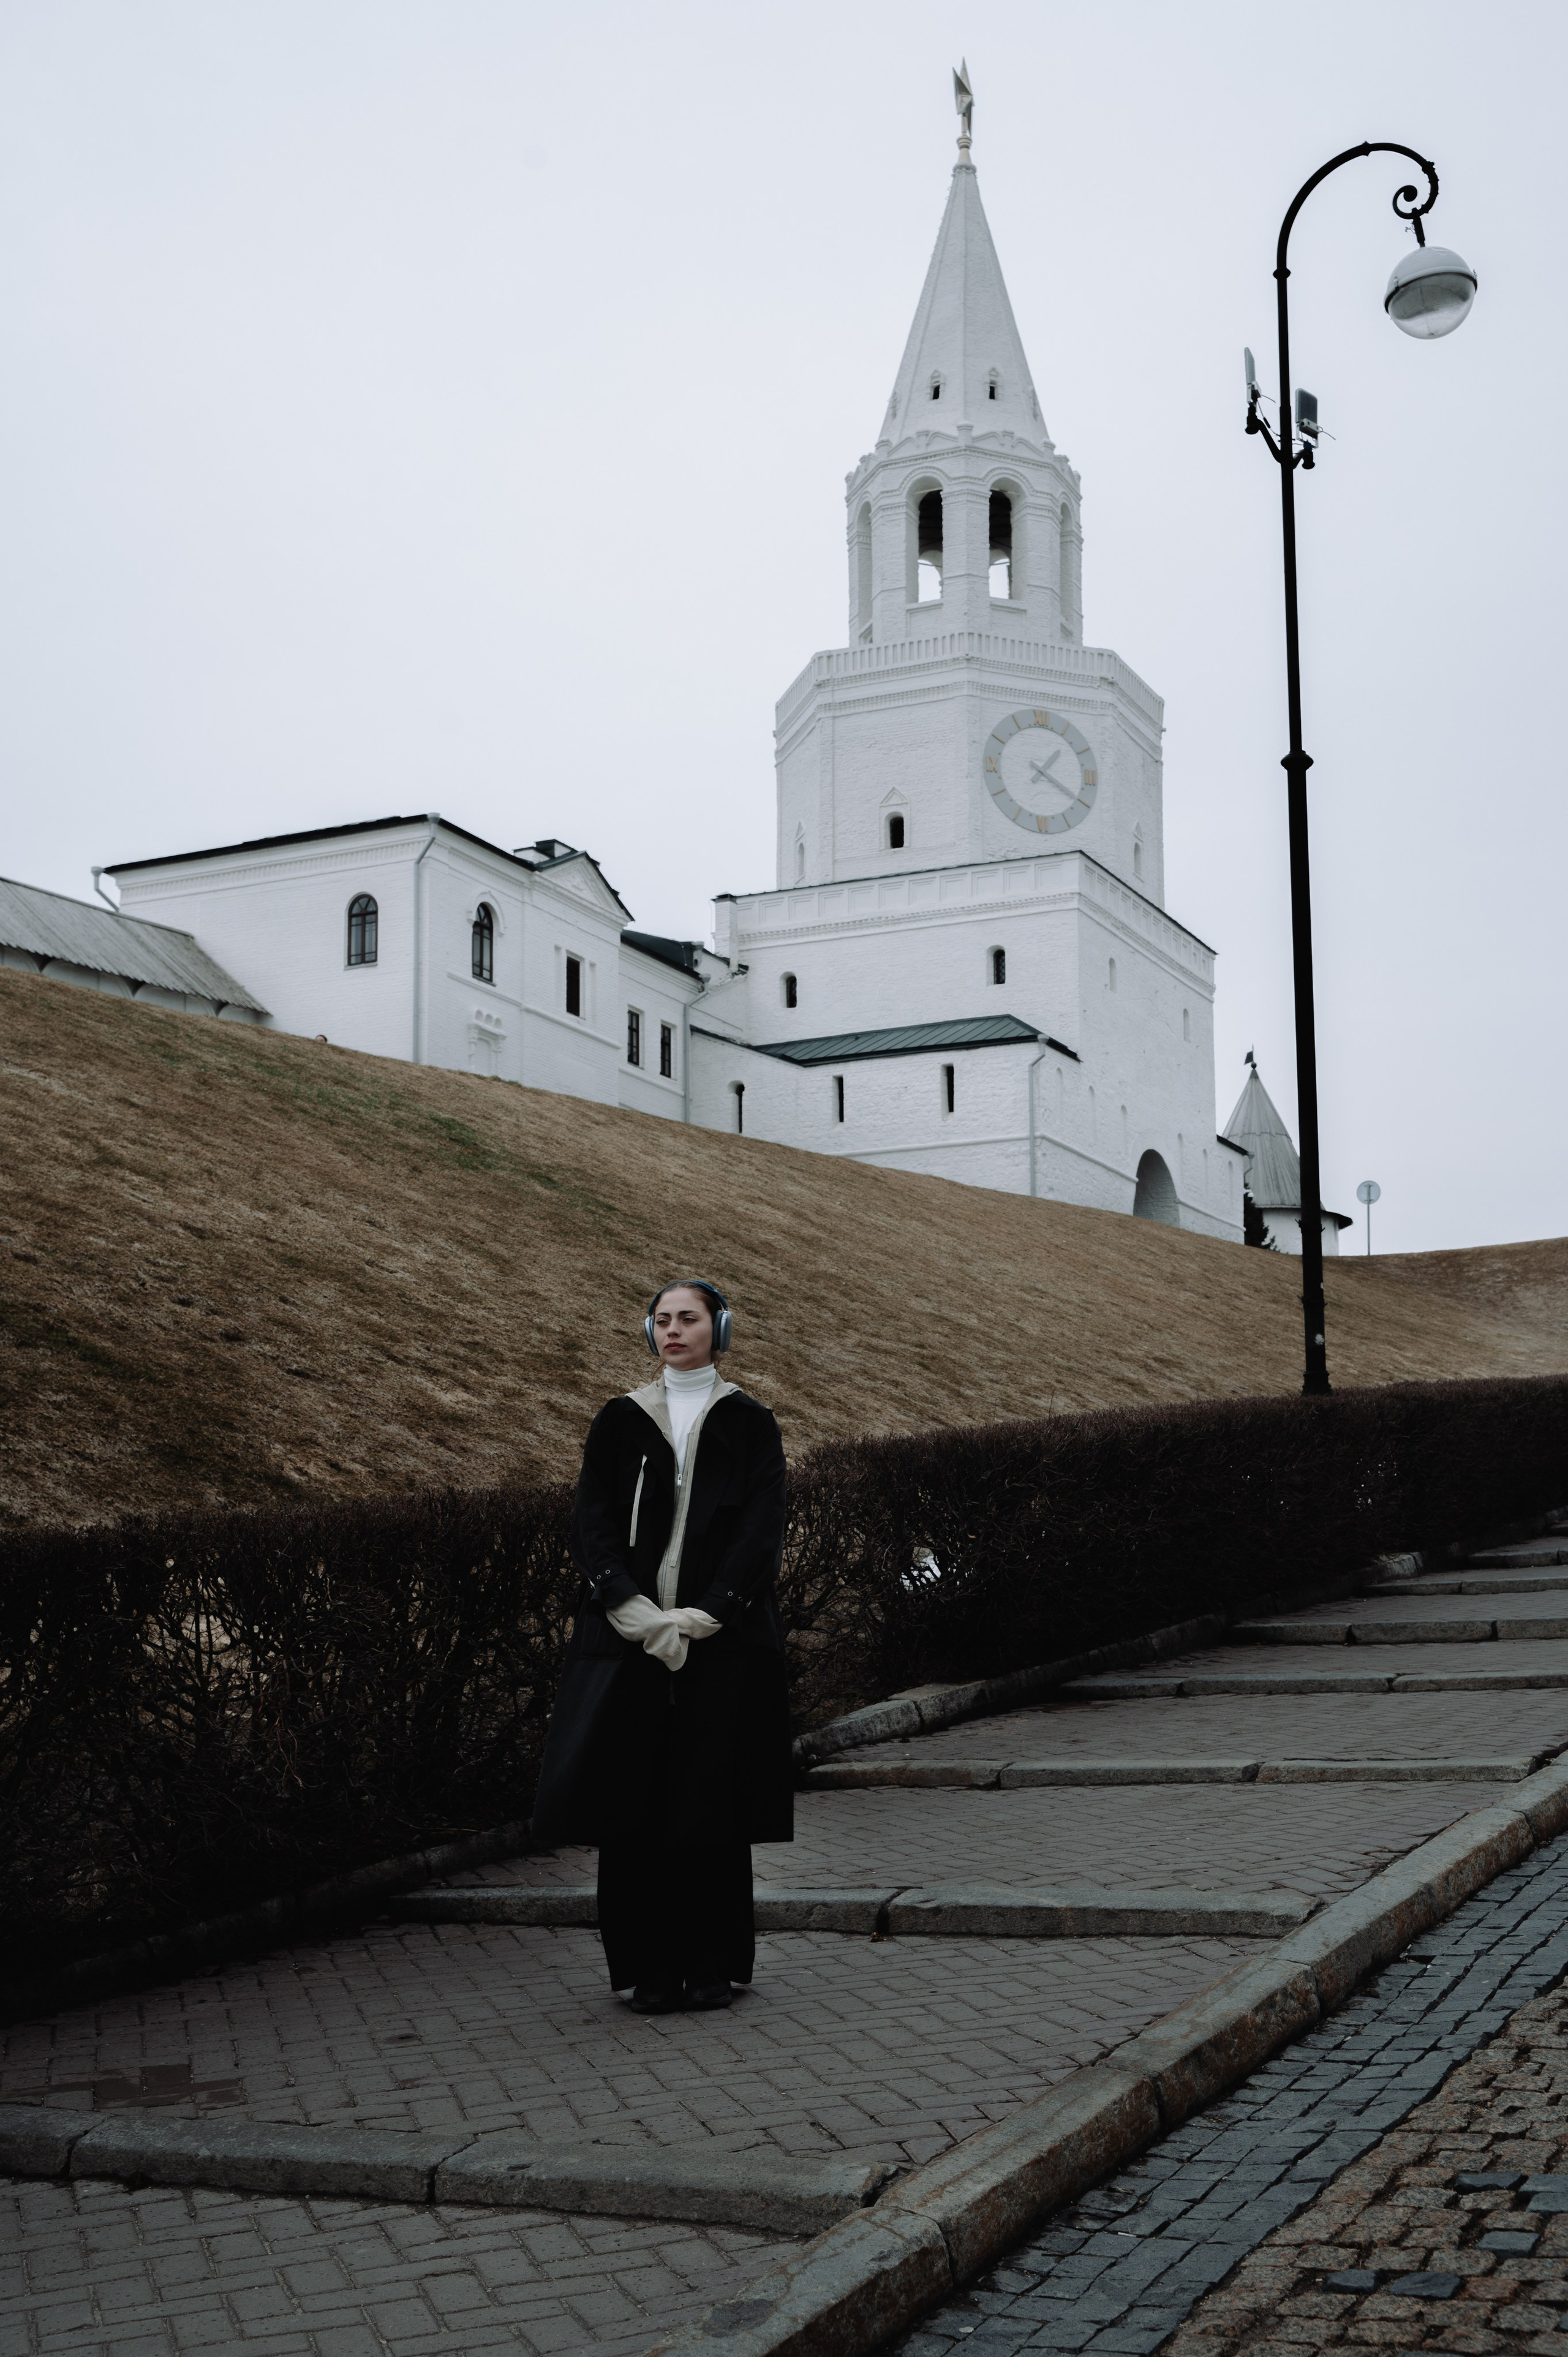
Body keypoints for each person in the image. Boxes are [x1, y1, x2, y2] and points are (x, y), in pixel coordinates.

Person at [530, 1280, 792, 2014]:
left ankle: (709, 1963)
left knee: (708, 1802)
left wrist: (706, 1615)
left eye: (690, 1318)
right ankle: (648, 1968)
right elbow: (592, 1520)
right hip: (628, 1641)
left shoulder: (749, 1421)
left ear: (721, 1328)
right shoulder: (619, 1419)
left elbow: (761, 1530)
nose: (673, 1329)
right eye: (663, 1319)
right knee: (633, 1803)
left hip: (721, 1643)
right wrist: (633, 1609)